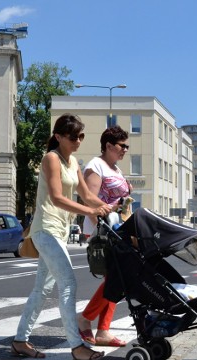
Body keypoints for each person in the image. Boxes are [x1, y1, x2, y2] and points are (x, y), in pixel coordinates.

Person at [11, 114, 113, 360]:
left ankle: (19, 341)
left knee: (41, 289)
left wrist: (110, 207)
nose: (78, 141)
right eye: (73, 137)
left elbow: (86, 195)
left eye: (81, 136)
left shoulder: (73, 161)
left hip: (59, 231)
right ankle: (77, 346)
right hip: (45, 229)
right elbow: (57, 198)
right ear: (58, 137)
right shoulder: (51, 159)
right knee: (68, 283)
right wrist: (90, 211)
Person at [78, 125, 132, 347]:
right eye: (122, 146)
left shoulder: (116, 170)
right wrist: (106, 219)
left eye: (127, 146)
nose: (125, 150)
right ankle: (86, 319)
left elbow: (121, 204)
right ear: (108, 145)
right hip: (103, 230)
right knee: (116, 278)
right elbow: (89, 199)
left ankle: (102, 329)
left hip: (118, 228)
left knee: (117, 278)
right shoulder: (96, 165)